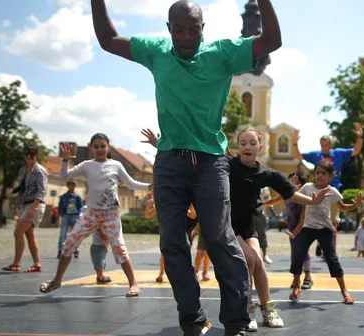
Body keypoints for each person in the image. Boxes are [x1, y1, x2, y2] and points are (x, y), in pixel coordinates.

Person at [91, 0, 283, 333]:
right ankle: (192, 320)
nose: (186, 36)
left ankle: (236, 321)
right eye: (178, 29)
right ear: (168, 29)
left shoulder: (222, 54)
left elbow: (272, 41)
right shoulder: (156, 51)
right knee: (173, 244)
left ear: (203, 29)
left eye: (193, 29)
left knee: (221, 240)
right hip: (169, 161)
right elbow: (109, 40)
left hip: (210, 162)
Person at [231, 126, 330, 331]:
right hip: (228, 224)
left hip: (248, 223)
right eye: (243, 143)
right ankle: (246, 309)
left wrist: (313, 201)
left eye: (252, 143)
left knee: (258, 262)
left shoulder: (266, 173)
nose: (247, 147)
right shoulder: (228, 165)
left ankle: (267, 309)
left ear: (260, 146)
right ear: (237, 147)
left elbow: (290, 193)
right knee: (248, 260)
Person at [39, 134, 150, 298]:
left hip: (110, 213)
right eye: (96, 146)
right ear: (91, 148)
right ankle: (57, 280)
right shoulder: (87, 165)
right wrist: (65, 160)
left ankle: (133, 284)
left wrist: (151, 186)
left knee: (119, 248)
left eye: (102, 146)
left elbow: (131, 183)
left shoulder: (116, 165)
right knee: (68, 244)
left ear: (108, 147)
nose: (99, 149)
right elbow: (64, 177)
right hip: (91, 213)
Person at [289, 160, 362, 304]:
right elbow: (294, 198)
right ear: (314, 174)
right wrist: (293, 188)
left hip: (325, 229)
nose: (320, 176)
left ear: (330, 176)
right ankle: (296, 285)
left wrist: (355, 205)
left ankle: (344, 290)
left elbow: (343, 207)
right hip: (308, 228)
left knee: (332, 260)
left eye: (324, 173)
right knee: (298, 256)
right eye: (318, 173)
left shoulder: (332, 191)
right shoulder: (307, 187)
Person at [2, 145, 48, 273]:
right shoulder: (23, 170)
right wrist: (17, 206)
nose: (29, 158)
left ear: (36, 156)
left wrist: (33, 209)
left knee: (18, 233)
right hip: (24, 204)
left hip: (35, 204)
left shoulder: (40, 171)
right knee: (29, 235)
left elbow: (42, 191)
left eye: (31, 155)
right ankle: (37, 264)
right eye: (26, 155)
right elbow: (21, 189)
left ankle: (16, 263)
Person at [284, 172, 313, 290]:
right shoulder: (286, 194)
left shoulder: (303, 196)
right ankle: (296, 279)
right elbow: (274, 201)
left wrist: (296, 231)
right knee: (294, 253)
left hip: (303, 227)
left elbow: (303, 218)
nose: (289, 183)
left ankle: (308, 277)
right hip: (291, 226)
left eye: (293, 180)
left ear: (300, 185)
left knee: (303, 252)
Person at [57, 180, 83, 259]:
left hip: (74, 216)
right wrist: (62, 214)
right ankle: (61, 250)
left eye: (73, 185)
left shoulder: (77, 197)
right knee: (63, 234)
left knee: (75, 234)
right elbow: (60, 206)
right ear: (68, 186)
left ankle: (75, 250)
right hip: (66, 215)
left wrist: (79, 214)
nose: (72, 187)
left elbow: (80, 207)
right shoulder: (64, 196)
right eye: (71, 185)